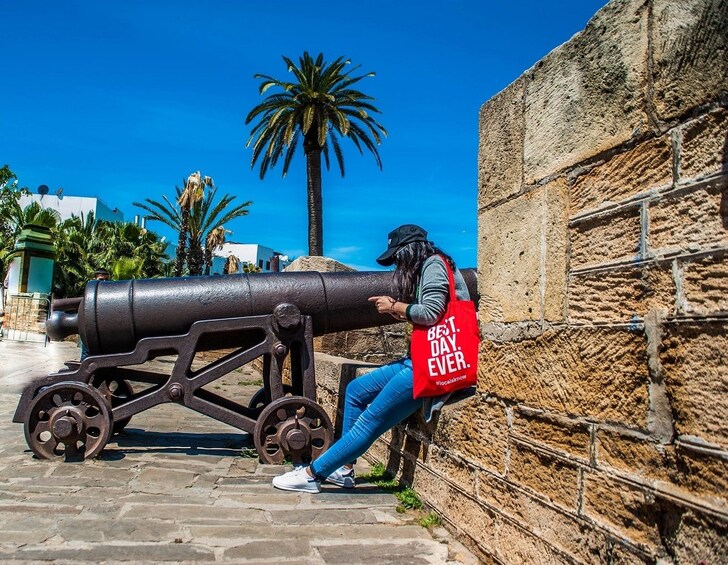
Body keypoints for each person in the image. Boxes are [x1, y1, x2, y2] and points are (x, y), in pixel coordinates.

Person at [272, 224, 470, 493]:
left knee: (370, 421)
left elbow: (432, 313)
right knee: (356, 390)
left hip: (428, 368)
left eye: (398, 258)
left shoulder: (434, 265)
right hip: (417, 360)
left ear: (410, 251)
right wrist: (398, 311)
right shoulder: (428, 267)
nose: (397, 266)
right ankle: (344, 469)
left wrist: (395, 306)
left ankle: (312, 475)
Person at [79, 268, 110, 361]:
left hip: (102, 327)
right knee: (87, 352)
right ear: (94, 279)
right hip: (89, 326)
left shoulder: (109, 292)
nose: (104, 282)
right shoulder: (90, 291)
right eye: (101, 279)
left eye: (106, 280)